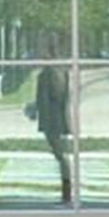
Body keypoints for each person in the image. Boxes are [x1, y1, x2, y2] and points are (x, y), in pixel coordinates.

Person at [35, 66, 72, 204]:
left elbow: (51, 97)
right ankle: (66, 187)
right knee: (60, 154)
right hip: (54, 120)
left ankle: (66, 187)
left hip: (53, 121)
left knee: (60, 154)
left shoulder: (51, 74)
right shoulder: (56, 73)